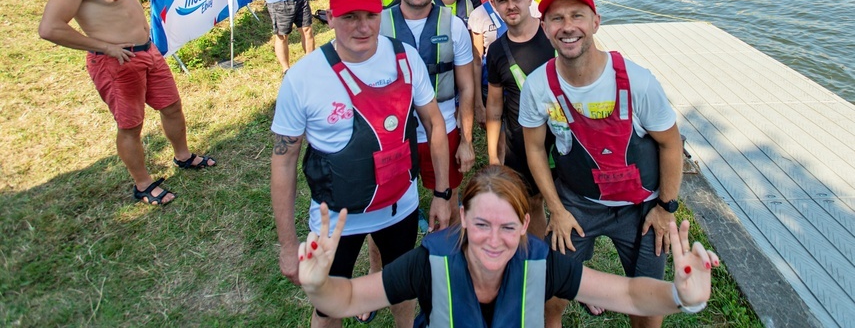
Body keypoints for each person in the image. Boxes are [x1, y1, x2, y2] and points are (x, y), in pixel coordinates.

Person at [298, 165, 718, 326]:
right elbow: (347, 298)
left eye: (507, 227)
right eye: (482, 224)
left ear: (524, 226)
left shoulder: (543, 264)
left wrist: (682, 297)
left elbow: (628, 294)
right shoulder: (428, 262)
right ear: (463, 218)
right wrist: (319, 286)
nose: (494, 241)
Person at [271, 0, 452, 327]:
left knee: (403, 292)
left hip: (400, 209)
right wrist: (288, 245)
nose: (363, 27)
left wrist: (442, 194)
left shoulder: (405, 58)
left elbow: (434, 123)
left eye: (370, 15)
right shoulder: (303, 77)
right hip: (335, 221)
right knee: (327, 306)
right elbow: (283, 162)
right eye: (350, 17)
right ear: (330, 17)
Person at [519, 0, 686, 328]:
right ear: (545, 28)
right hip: (577, 204)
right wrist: (556, 209)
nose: (567, 27)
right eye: (556, 18)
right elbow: (534, 148)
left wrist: (665, 208)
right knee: (550, 295)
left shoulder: (638, 82)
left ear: (596, 22)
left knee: (646, 305)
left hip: (641, 209)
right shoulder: (537, 86)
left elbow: (671, 144)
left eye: (577, 16)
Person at [38, 0, 217, 205]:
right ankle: (143, 184)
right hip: (117, 62)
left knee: (172, 107)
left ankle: (183, 156)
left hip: (148, 51)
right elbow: (50, 28)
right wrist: (104, 47)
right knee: (131, 125)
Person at [378, 0, 475, 215]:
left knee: (449, 199)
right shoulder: (378, 25)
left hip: (444, 129)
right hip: (393, 133)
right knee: (390, 207)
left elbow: (467, 87)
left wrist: (466, 141)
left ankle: (447, 239)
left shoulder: (454, 26)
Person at [485, 0, 554, 239]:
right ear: (494, 5)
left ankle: (564, 255)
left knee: (567, 202)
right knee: (532, 202)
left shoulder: (552, 33)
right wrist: (494, 156)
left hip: (562, 138)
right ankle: (540, 254)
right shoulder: (496, 50)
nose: (511, 5)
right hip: (520, 140)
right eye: (502, 0)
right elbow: (494, 108)